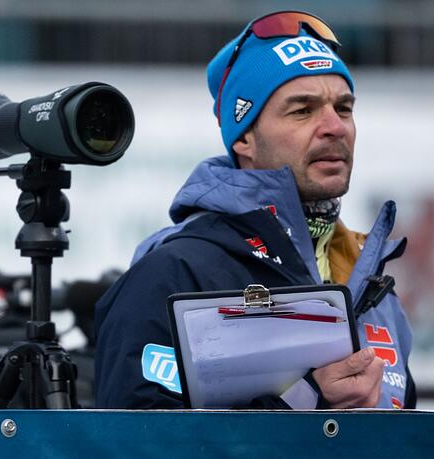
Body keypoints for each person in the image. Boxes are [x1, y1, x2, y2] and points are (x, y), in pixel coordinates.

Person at [95, 11, 415, 409]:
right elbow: (132, 445)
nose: (335, 126)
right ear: (244, 137)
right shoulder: (175, 273)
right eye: (303, 110)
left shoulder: (375, 286)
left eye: (344, 108)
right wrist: (305, 401)